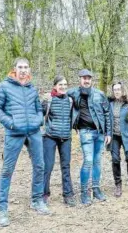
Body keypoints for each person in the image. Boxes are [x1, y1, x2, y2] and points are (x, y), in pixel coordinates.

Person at [0, 57, 50, 227]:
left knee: (40, 166)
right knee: (7, 171)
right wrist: (11, 123)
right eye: (20, 67)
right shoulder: (4, 86)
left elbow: (39, 108)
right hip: (14, 133)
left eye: (26, 67)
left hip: (34, 133)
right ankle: (2, 209)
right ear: (14, 69)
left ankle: (37, 200)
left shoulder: (32, 88)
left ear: (29, 70)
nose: (23, 70)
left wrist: (39, 120)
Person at [67, 69, 111, 205]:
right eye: (84, 78)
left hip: (99, 133)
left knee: (97, 161)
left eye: (89, 78)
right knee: (88, 161)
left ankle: (96, 188)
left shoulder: (99, 94)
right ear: (79, 79)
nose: (86, 80)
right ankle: (84, 191)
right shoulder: (73, 93)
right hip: (85, 132)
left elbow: (107, 113)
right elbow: (58, 95)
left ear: (92, 80)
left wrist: (108, 132)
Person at [42, 75, 76, 207]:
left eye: (65, 85)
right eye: (60, 84)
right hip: (50, 137)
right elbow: (39, 113)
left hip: (66, 137)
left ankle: (68, 195)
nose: (63, 87)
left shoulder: (70, 101)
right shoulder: (48, 100)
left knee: (66, 166)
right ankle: (44, 194)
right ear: (55, 86)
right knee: (48, 166)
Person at [108, 82, 128, 198]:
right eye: (115, 89)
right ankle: (118, 184)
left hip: (127, 135)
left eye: (119, 89)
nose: (117, 91)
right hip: (114, 136)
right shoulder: (109, 103)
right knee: (115, 159)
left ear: (122, 90)